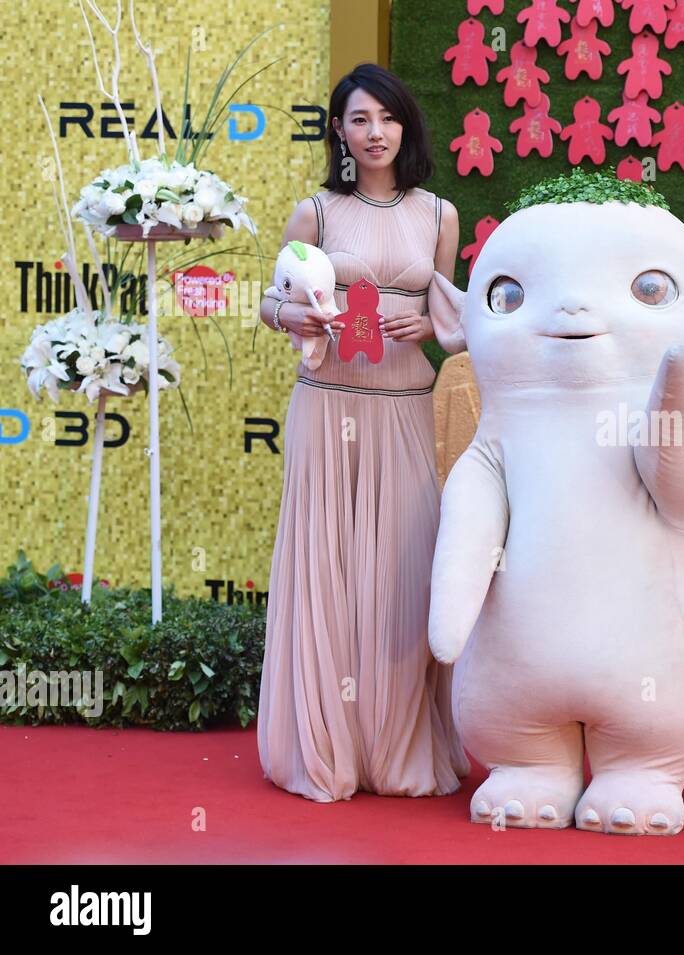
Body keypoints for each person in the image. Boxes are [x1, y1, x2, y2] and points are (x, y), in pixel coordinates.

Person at [256, 62, 469, 802]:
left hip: (404, 407)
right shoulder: (314, 212)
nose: (373, 132)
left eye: (385, 117)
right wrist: (297, 315)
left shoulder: (440, 214)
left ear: (404, 126)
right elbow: (268, 302)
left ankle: (399, 749)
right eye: (358, 119)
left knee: (403, 571)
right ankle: (327, 746)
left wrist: (432, 326)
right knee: (329, 570)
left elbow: (454, 323)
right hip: (327, 406)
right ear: (339, 132)